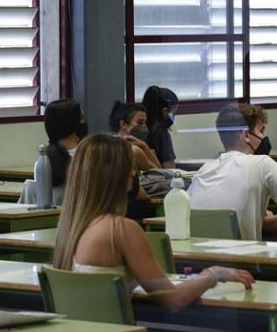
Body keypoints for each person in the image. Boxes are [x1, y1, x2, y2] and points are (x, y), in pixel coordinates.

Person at [53, 133, 253, 310]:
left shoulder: (71, 229)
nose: (133, 173)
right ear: (112, 175)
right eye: (128, 167)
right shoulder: (121, 230)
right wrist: (213, 274)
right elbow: (173, 300)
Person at [187, 102, 277, 242]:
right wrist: (265, 222)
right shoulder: (263, 164)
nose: (264, 137)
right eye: (261, 131)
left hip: (197, 259)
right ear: (246, 135)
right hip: (239, 260)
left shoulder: (203, 171)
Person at [18, 98, 87, 206]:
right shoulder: (88, 156)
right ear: (72, 124)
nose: (84, 122)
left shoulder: (43, 160)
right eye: (81, 118)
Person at [141, 85, 179, 168]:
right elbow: (169, 167)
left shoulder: (141, 129)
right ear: (165, 111)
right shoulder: (161, 133)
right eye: (174, 111)